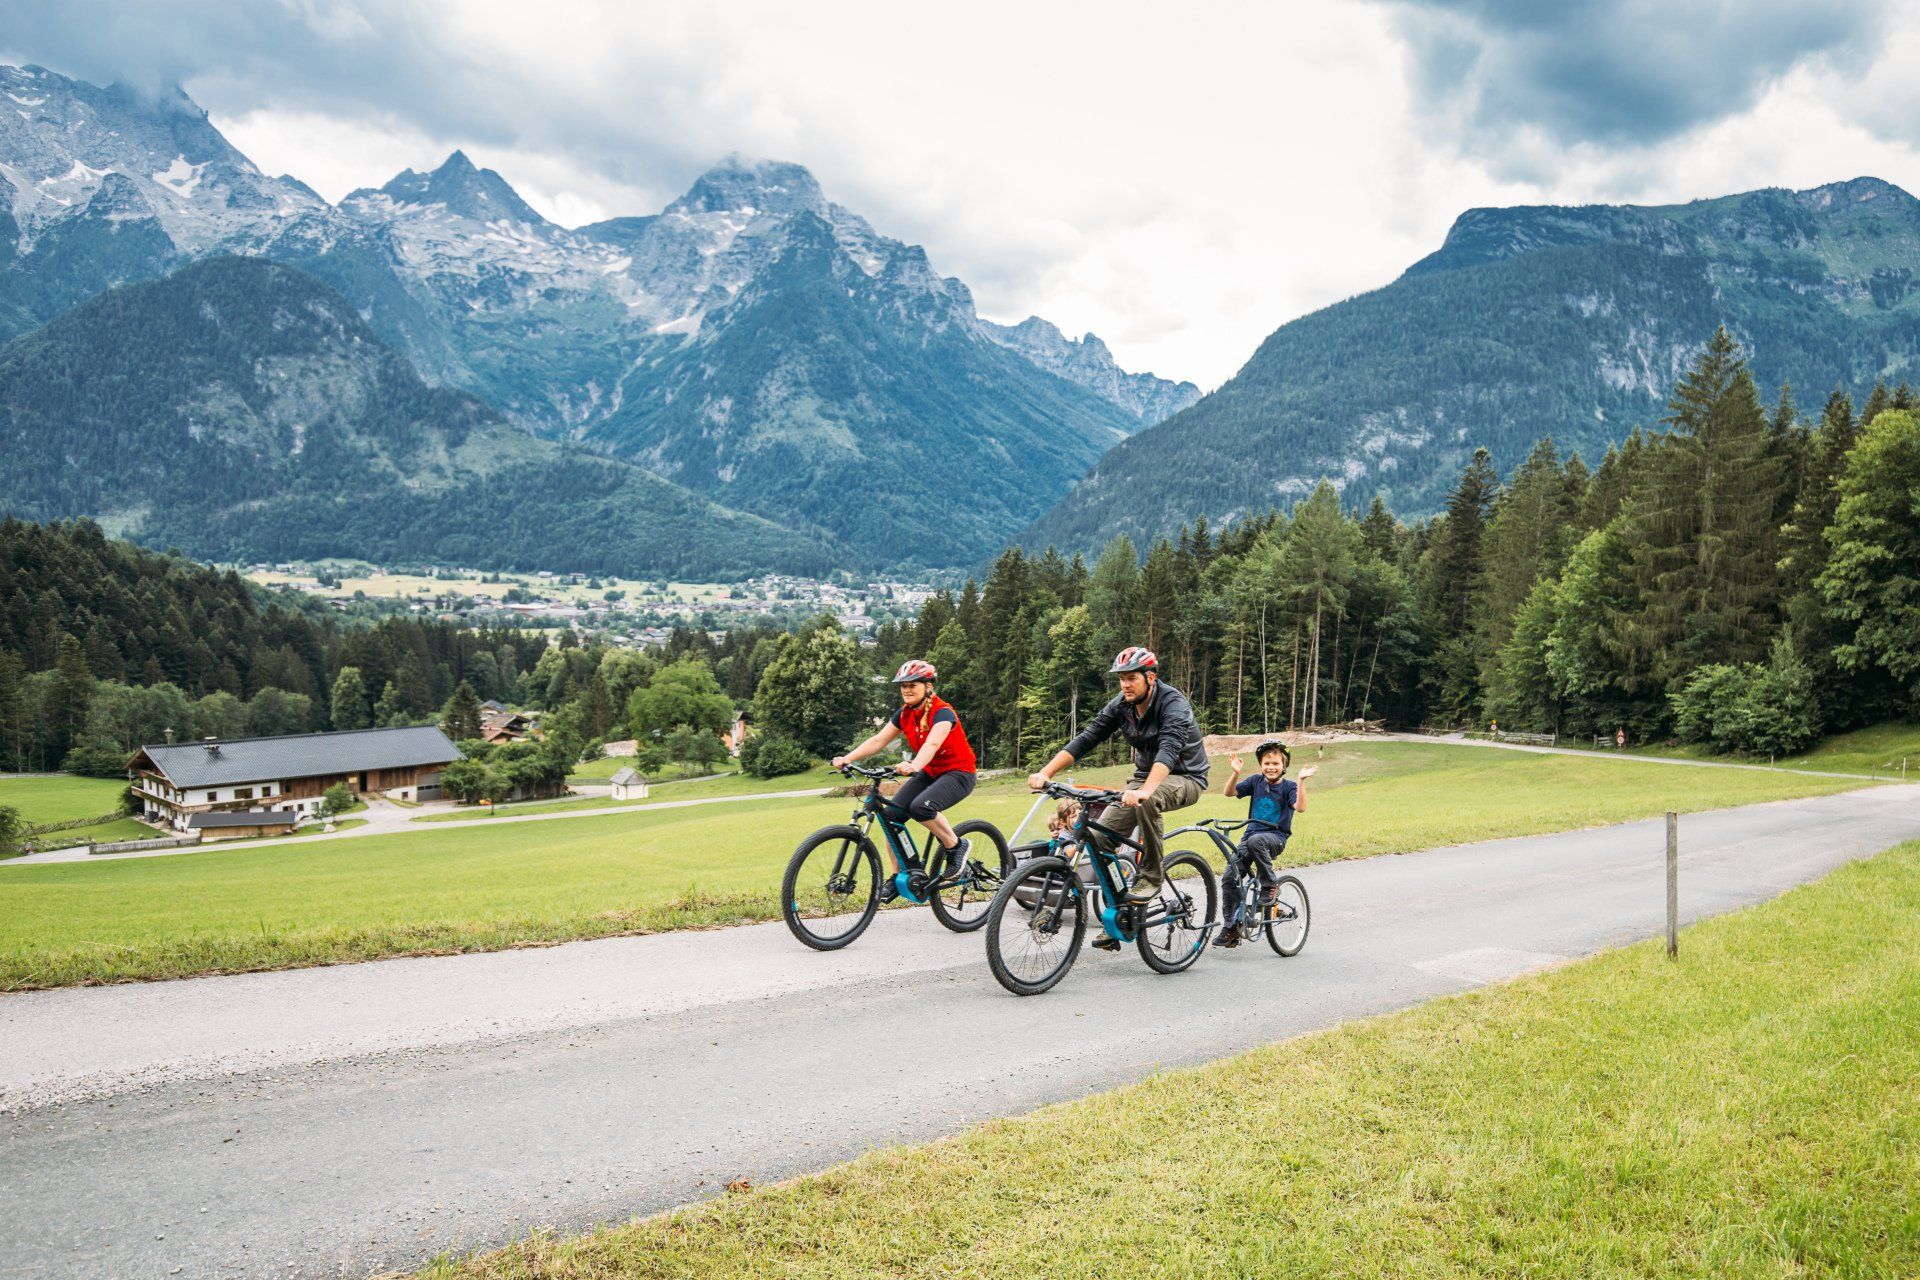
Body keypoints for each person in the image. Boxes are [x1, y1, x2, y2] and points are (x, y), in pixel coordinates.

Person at [1028, 646, 1208, 949]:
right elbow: (1088, 737)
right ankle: (1120, 914)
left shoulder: (1173, 704)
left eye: (1131, 678)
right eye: (1121, 679)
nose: (1125, 685)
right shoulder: (1121, 705)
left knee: (1148, 801)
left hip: (1185, 777)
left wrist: (1146, 791)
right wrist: (1045, 772)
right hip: (1142, 779)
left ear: (1150, 677)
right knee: (1099, 842)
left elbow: (1169, 749)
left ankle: (1151, 875)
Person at [832, 659, 978, 896]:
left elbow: (933, 743)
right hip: (929, 773)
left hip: (958, 773)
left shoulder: (943, 712)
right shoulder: (905, 714)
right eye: (903, 686)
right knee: (891, 816)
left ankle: (956, 846)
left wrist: (914, 764)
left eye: (913, 684)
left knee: (920, 807)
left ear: (928, 686)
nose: (907, 690)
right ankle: (899, 875)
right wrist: (848, 758)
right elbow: (879, 740)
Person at [1213, 740, 1315, 947]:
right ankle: (1231, 927)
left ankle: (1270, 885)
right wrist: (1235, 773)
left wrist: (1302, 781)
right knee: (1229, 877)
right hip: (1250, 837)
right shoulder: (1255, 781)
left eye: (1276, 763)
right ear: (1261, 764)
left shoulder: (1289, 787)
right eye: (1267, 763)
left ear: (1284, 765)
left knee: (1256, 840)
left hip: (1275, 839)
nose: (1271, 767)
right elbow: (1229, 793)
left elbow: (1300, 807)